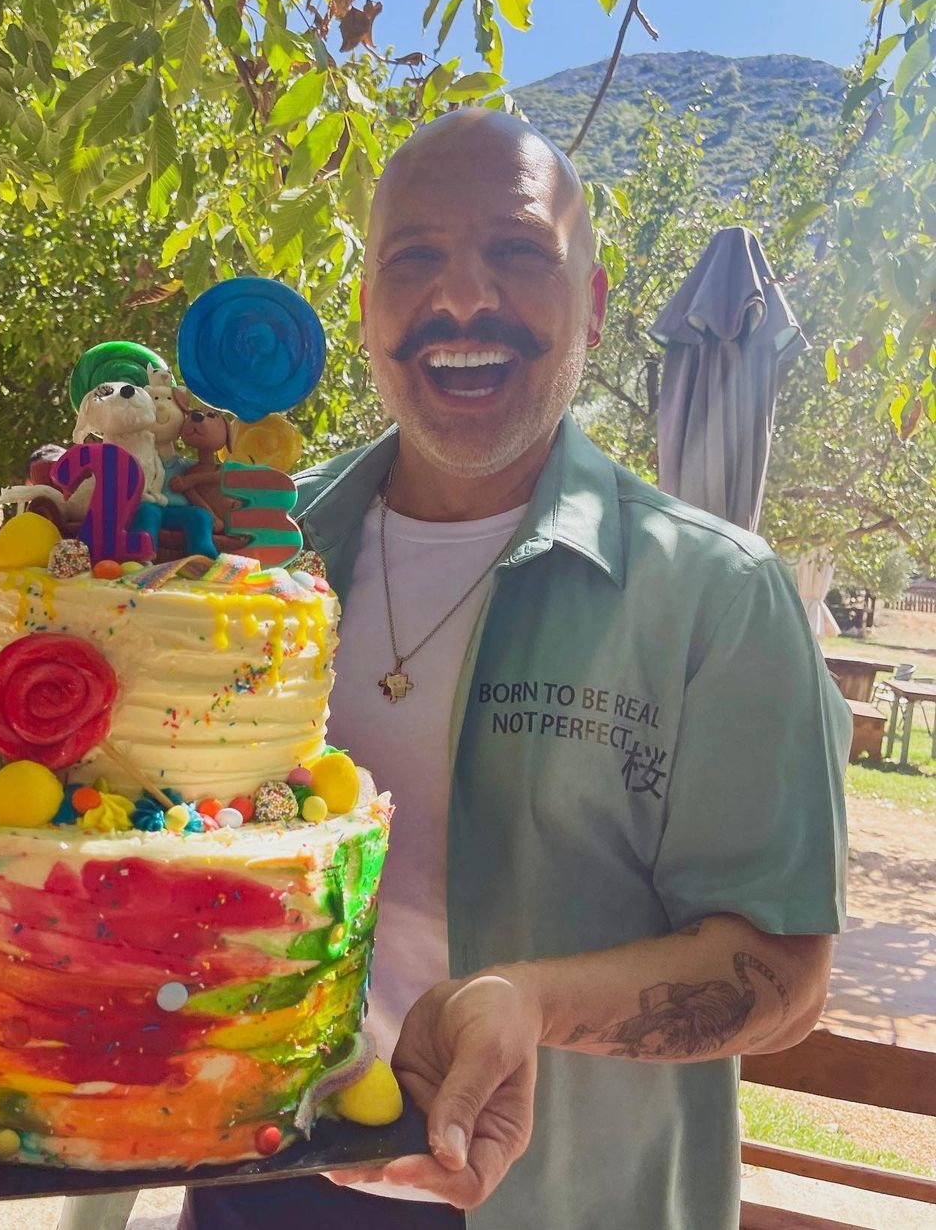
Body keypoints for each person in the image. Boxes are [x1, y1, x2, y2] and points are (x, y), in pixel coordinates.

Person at [176, 107, 851, 1230]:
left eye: (518, 251)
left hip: (552, 1197)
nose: (462, 298)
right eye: (415, 258)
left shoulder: (717, 595)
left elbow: (784, 977)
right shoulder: (258, 548)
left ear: (592, 303)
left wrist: (529, 1006)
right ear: (366, 307)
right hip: (256, 1173)